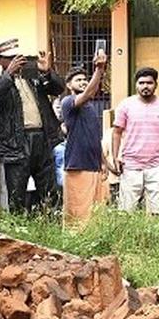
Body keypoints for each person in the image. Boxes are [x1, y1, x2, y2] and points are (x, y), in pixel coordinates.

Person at [0, 39, 65, 212]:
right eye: (11, 57)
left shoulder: (34, 78)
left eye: (18, 56)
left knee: (50, 194)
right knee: (17, 195)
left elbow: (58, 88)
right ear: (0, 60)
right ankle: (17, 233)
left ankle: (51, 230)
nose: (17, 60)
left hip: (42, 140)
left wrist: (47, 72)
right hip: (16, 144)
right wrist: (9, 74)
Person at [60, 50, 110, 224]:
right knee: (77, 216)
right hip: (78, 166)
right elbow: (89, 93)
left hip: (94, 166)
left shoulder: (90, 108)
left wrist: (104, 163)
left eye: (84, 79)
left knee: (94, 216)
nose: (83, 82)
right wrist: (99, 70)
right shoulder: (68, 102)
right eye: (78, 80)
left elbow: (95, 139)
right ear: (69, 85)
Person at [110, 67, 159, 214]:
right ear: (136, 84)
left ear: (156, 84)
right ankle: (126, 237)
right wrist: (116, 157)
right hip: (130, 164)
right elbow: (117, 132)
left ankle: (155, 237)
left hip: (157, 164)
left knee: (158, 212)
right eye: (141, 83)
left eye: (149, 83)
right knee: (126, 211)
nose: (145, 86)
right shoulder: (126, 105)